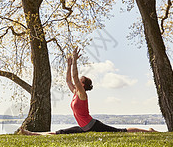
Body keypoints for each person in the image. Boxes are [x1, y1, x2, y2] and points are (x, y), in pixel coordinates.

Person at [20, 47, 158, 135]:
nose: (78, 80)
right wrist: (68, 65)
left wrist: (74, 61)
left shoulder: (82, 94)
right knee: (59, 132)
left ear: (83, 85)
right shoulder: (75, 92)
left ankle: (148, 130)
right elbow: (68, 80)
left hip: (92, 126)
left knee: (119, 131)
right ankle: (30, 133)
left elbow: (73, 77)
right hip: (83, 127)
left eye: (80, 80)